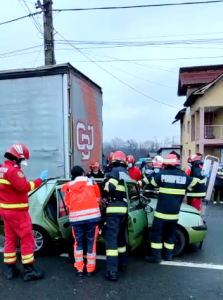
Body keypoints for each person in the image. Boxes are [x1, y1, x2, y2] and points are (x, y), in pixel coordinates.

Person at [0, 143, 48, 281]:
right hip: (18, 212)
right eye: (22, 159)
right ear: (17, 158)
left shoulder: (2, 169)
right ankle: (29, 270)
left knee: (10, 239)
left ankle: (10, 269)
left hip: (5, 211)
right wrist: (40, 180)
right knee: (27, 239)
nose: (23, 162)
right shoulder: (14, 171)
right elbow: (24, 187)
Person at [139, 154, 197, 263]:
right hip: (174, 214)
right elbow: (194, 185)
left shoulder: (162, 174)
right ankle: (168, 255)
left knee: (157, 235)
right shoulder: (183, 176)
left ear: (165, 164)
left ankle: (156, 257)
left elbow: (152, 183)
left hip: (161, 214)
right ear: (176, 164)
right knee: (170, 236)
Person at [62, 166, 101, 277]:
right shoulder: (92, 182)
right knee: (91, 243)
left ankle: (79, 269)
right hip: (92, 218)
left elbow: (67, 203)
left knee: (78, 243)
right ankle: (90, 269)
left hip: (77, 220)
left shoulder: (69, 186)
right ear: (83, 173)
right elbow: (98, 199)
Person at [104, 150, 129, 281]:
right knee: (121, 239)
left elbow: (111, 188)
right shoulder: (126, 173)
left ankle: (112, 271)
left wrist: (106, 185)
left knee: (111, 241)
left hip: (113, 210)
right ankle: (123, 264)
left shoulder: (114, 172)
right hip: (124, 210)